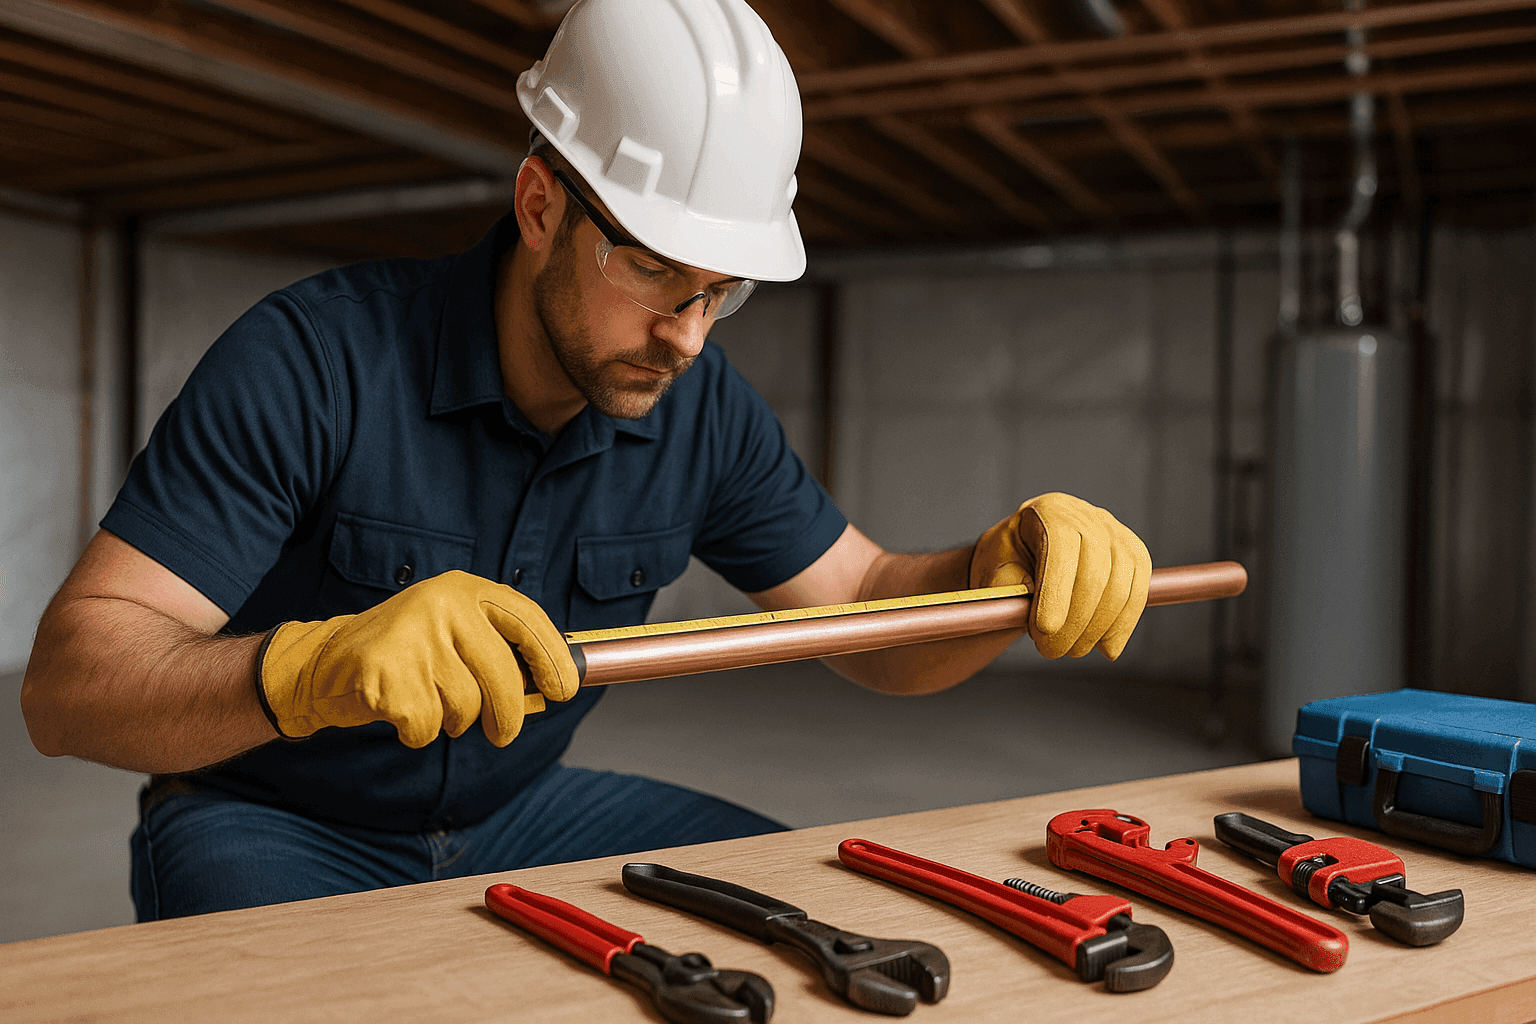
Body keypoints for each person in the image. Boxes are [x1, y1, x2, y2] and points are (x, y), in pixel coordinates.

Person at [20, 0, 1150, 921]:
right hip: (269, 816)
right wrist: (313, 667)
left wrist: (1000, 571)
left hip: (521, 812)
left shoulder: (699, 406)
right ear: (540, 205)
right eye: (657, 272)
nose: (689, 333)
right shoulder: (313, 361)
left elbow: (864, 607)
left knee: (830, 910)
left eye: (722, 290)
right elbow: (69, 690)